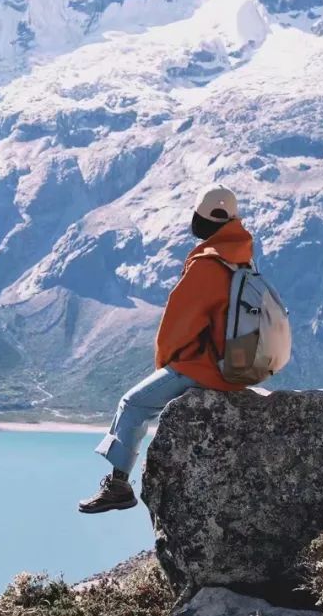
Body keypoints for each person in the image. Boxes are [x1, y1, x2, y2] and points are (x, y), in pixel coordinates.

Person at [79, 184, 253, 514]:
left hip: (206, 366)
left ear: (201, 220)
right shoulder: (242, 259)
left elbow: (178, 325)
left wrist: (168, 364)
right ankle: (118, 484)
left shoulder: (208, 264)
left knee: (132, 403)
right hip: (235, 365)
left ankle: (119, 486)